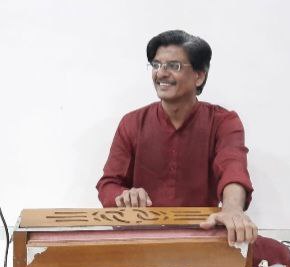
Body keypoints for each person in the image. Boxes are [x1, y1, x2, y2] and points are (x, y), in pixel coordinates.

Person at [96, 29, 259, 247]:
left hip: (201, 235)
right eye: (156, 65)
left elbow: (233, 168)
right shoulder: (132, 122)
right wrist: (124, 195)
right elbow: (108, 184)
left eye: (173, 66)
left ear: (199, 75)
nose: (161, 73)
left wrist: (231, 210)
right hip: (142, 237)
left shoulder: (223, 122)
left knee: (277, 253)